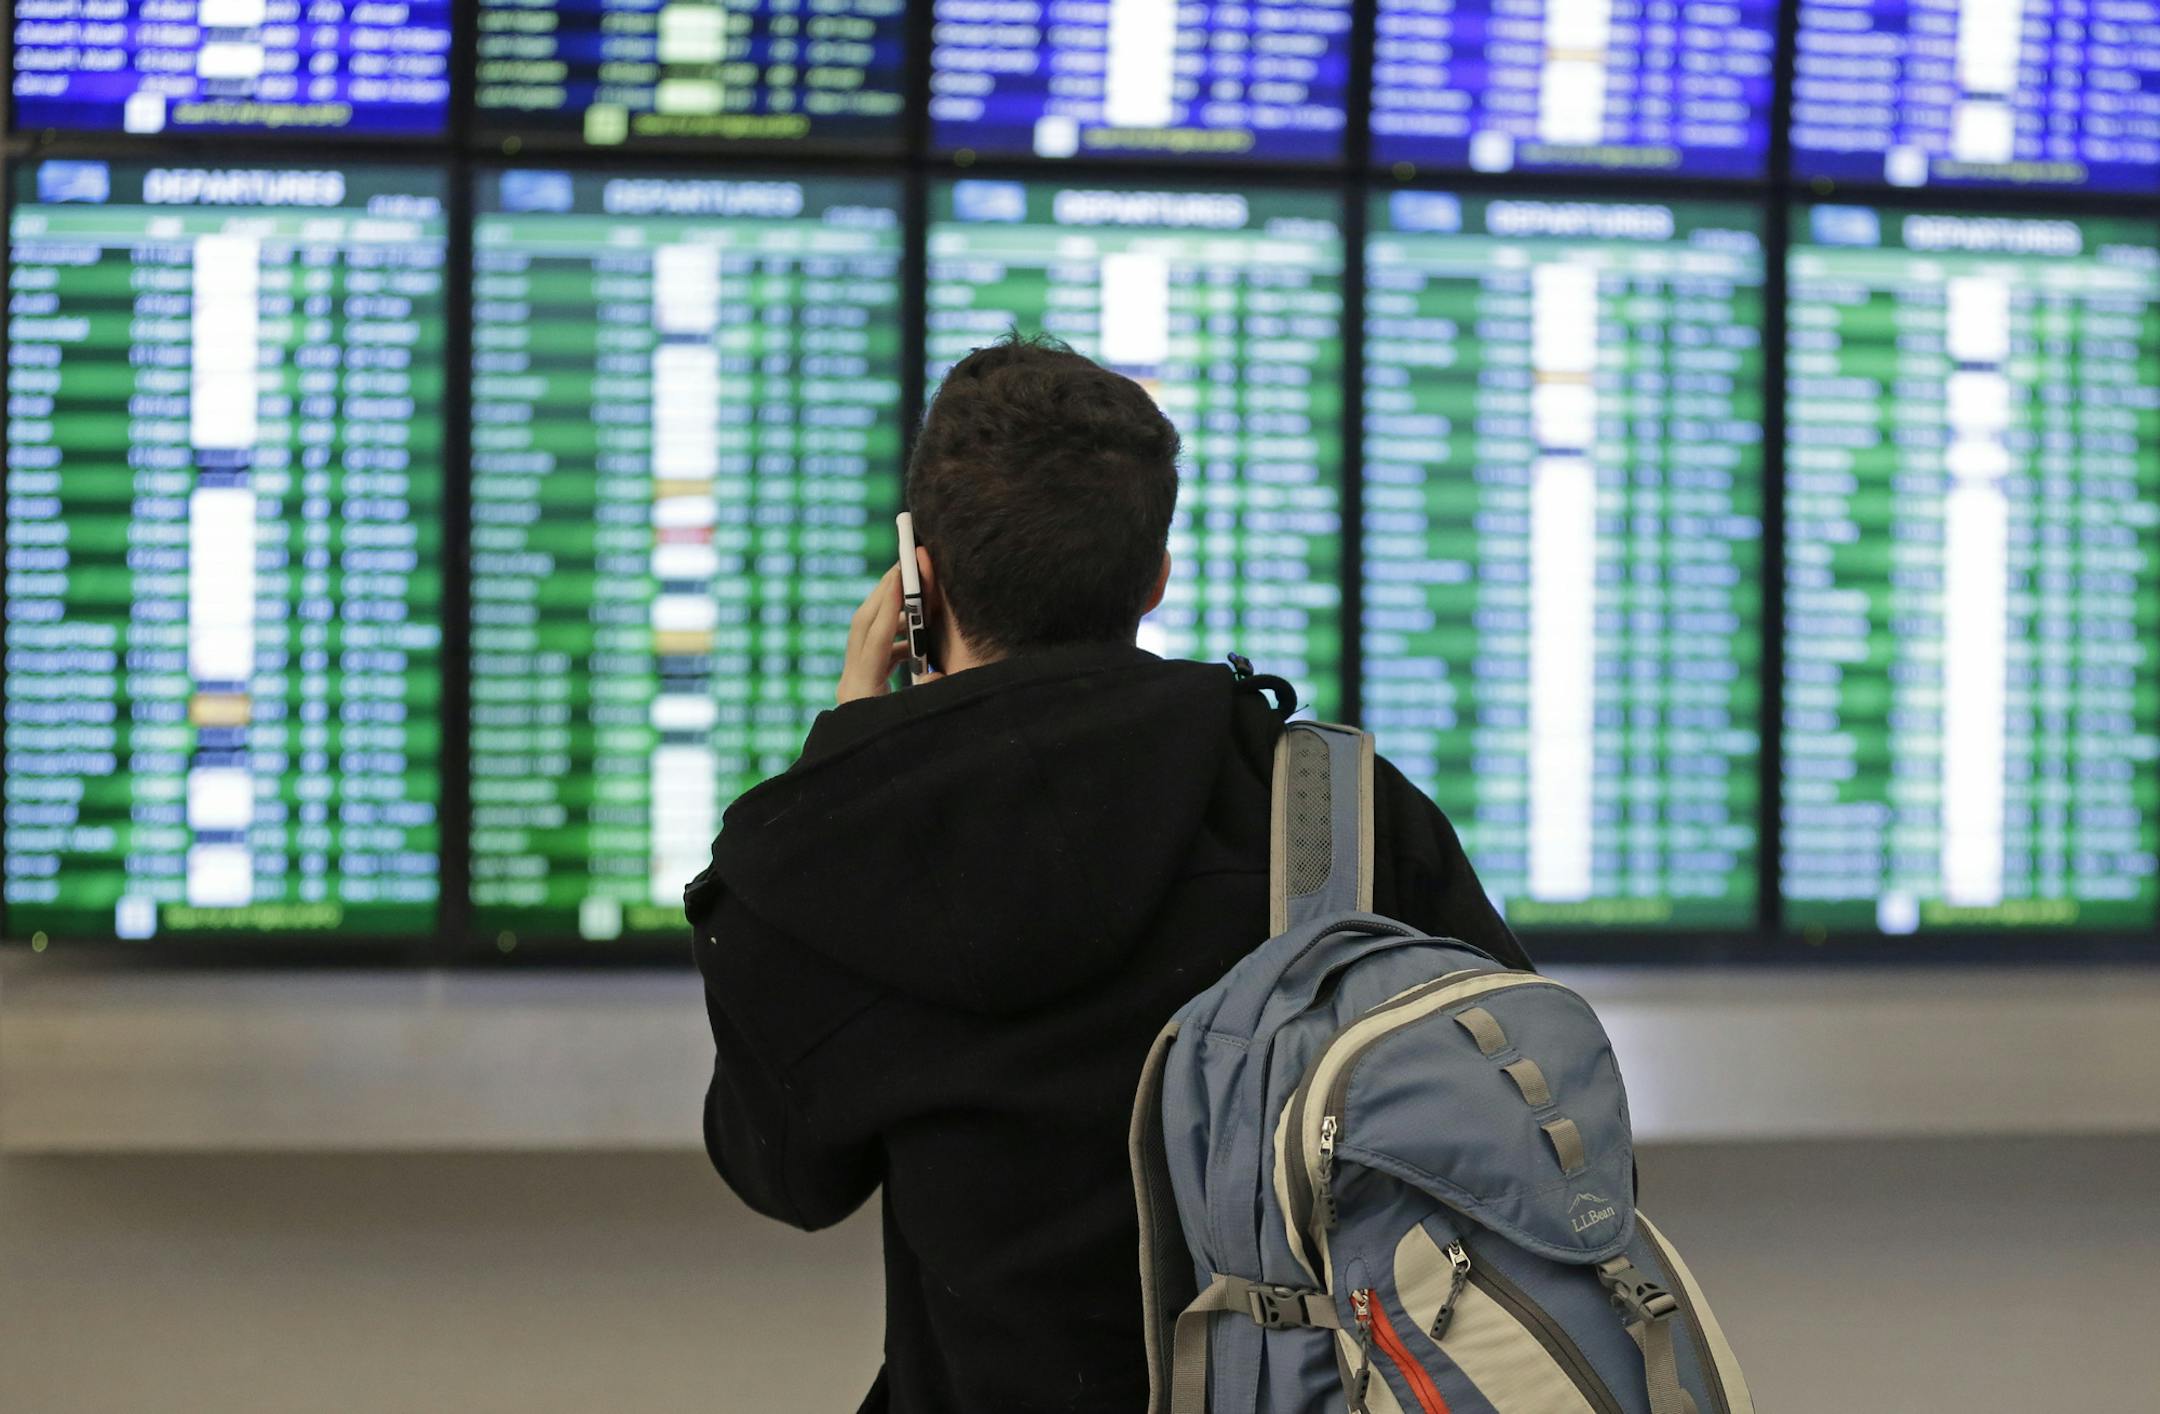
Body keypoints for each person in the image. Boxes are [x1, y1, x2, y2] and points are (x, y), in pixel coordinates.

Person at [686, 333, 1529, 1413]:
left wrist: (855, 759)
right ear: (1156, 576)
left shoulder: (825, 849)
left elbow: (785, 1175)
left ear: (917, 581)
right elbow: (1520, 1124)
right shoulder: (1336, 810)